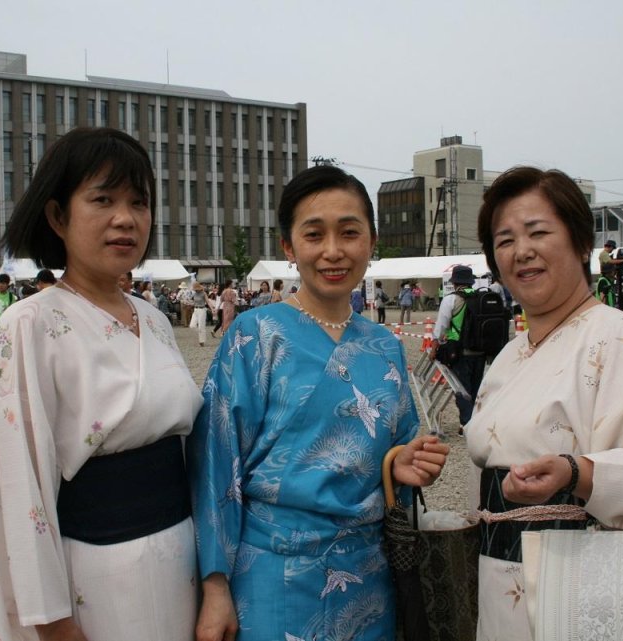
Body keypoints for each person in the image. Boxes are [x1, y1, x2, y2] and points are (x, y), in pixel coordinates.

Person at [188, 165, 449, 641]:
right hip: (271, 576)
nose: (333, 251)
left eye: (349, 233)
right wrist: (215, 586)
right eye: (314, 234)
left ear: (371, 241)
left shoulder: (385, 346)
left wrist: (404, 464)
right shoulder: (255, 335)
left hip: (369, 578)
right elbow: (214, 468)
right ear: (289, 247)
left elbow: (393, 454)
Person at [0, 127, 202, 641]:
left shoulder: (155, 319)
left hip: (183, 553)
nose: (126, 218)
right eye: (103, 199)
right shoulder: (26, 326)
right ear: (57, 216)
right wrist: (53, 622)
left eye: (139, 202)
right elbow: (18, 480)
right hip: (100, 572)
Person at [467, 166, 623, 641]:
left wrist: (575, 473)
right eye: (504, 240)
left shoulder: (620, 341)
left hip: (587, 582)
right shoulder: (511, 354)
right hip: (503, 575)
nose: (522, 251)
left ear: (582, 244)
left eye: (538, 232)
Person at [432, 265, 486, 436]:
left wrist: (434, 348)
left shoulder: (451, 300)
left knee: (461, 389)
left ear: (455, 282)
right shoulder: (480, 297)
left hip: (459, 351)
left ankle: (468, 425)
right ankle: (477, 421)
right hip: (481, 351)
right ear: (470, 282)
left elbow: (441, 326)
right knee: (476, 389)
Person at [191, 281, 209, 346]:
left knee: (201, 326)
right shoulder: (194, 294)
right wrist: (190, 303)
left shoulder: (203, 293)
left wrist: (212, 308)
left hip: (202, 310)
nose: (195, 290)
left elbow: (208, 301)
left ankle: (202, 341)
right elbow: (194, 302)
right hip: (195, 309)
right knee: (192, 326)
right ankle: (201, 334)